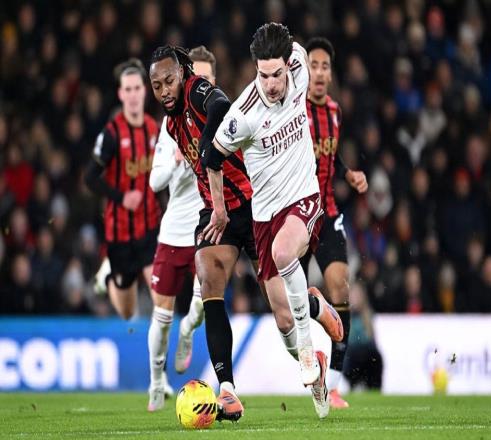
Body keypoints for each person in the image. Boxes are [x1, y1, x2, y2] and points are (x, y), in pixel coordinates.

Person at [149, 41, 341, 421]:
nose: (165, 90)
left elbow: (220, 105)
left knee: (284, 318)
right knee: (208, 279)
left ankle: (314, 307)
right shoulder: (171, 125)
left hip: (255, 207)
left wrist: (209, 148)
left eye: (169, 81)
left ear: (182, 74)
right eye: (158, 86)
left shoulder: (197, 90)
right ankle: (227, 390)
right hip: (216, 212)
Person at [208, 23, 343, 419]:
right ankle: (314, 318)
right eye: (263, 75)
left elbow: (298, 47)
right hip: (264, 215)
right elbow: (212, 158)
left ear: (288, 65)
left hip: (304, 196)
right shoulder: (243, 115)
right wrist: (219, 209)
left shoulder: (300, 63)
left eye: (276, 74)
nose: (270, 84)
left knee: (285, 253)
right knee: (283, 320)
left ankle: (308, 350)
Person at [147, 48, 217, 411]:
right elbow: (154, 181)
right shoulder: (170, 124)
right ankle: (156, 381)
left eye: (205, 79)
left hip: (207, 225)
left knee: (202, 304)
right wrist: (178, 159)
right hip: (174, 230)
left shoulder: (221, 116)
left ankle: (188, 330)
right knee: (161, 317)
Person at [304, 37, 368, 408]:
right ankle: (314, 326)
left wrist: (347, 173)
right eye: (313, 65)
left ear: (331, 74)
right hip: (296, 215)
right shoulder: (293, 112)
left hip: (327, 213)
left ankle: (336, 385)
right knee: (285, 305)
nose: (319, 72)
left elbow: (331, 155)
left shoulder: (334, 111)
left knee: (341, 288)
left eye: (325, 66)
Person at [85, 58, 160, 321]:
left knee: (161, 296)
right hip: (120, 233)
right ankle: (108, 278)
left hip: (150, 227)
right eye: (127, 89)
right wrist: (121, 197)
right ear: (120, 94)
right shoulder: (111, 134)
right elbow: (90, 178)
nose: (133, 94)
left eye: (137, 88)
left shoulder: (154, 129)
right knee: (127, 312)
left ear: (144, 91)